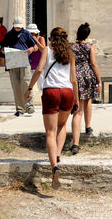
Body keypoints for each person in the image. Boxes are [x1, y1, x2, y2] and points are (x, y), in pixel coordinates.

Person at [24, 27, 78, 190]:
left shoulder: (47, 50)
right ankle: (58, 154)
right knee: (62, 126)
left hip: (51, 91)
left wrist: (29, 88)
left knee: (50, 132)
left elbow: (39, 69)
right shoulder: (70, 54)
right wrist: (76, 99)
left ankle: (54, 167)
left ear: (51, 38)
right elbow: (74, 79)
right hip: (67, 92)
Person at [69, 22, 101, 154]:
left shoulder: (71, 47)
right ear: (88, 35)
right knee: (88, 100)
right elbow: (93, 63)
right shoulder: (90, 46)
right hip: (88, 74)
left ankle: (75, 143)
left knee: (77, 109)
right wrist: (99, 79)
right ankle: (88, 126)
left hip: (76, 75)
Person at [1, 16, 38, 116]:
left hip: (25, 61)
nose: (18, 29)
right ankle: (20, 108)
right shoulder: (8, 34)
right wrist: (4, 51)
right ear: (13, 24)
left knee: (26, 82)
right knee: (15, 84)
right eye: (16, 27)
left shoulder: (26, 33)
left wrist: (31, 49)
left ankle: (29, 105)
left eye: (19, 27)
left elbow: (35, 46)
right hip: (12, 62)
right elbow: (3, 47)